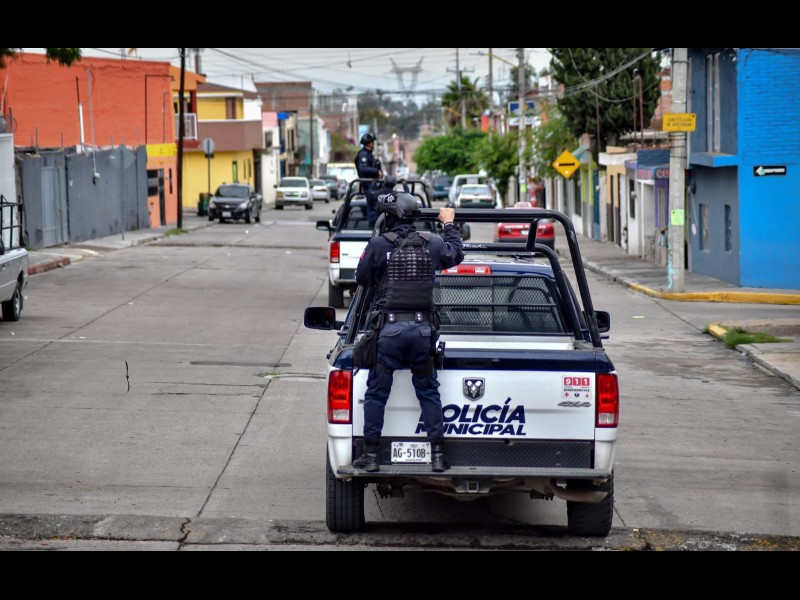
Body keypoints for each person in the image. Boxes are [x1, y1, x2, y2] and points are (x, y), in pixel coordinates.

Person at [352, 192, 464, 473]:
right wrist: (448, 223)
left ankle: (371, 457)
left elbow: (362, 277)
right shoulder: (432, 243)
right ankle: (438, 457)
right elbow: (456, 253)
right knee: (428, 392)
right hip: (422, 333)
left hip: (389, 332)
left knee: (377, 394)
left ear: (391, 217)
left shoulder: (379, 245)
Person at [354, 133, 383, 226]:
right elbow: (363, 168)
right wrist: (376, 172)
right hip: (369, 185)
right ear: (369, 143)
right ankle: (373, 227)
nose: (373, 144)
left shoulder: (368, 154)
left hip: (372, 185)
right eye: (372, 142)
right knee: (372, 209)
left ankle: (375, 225)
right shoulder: (363, 154)